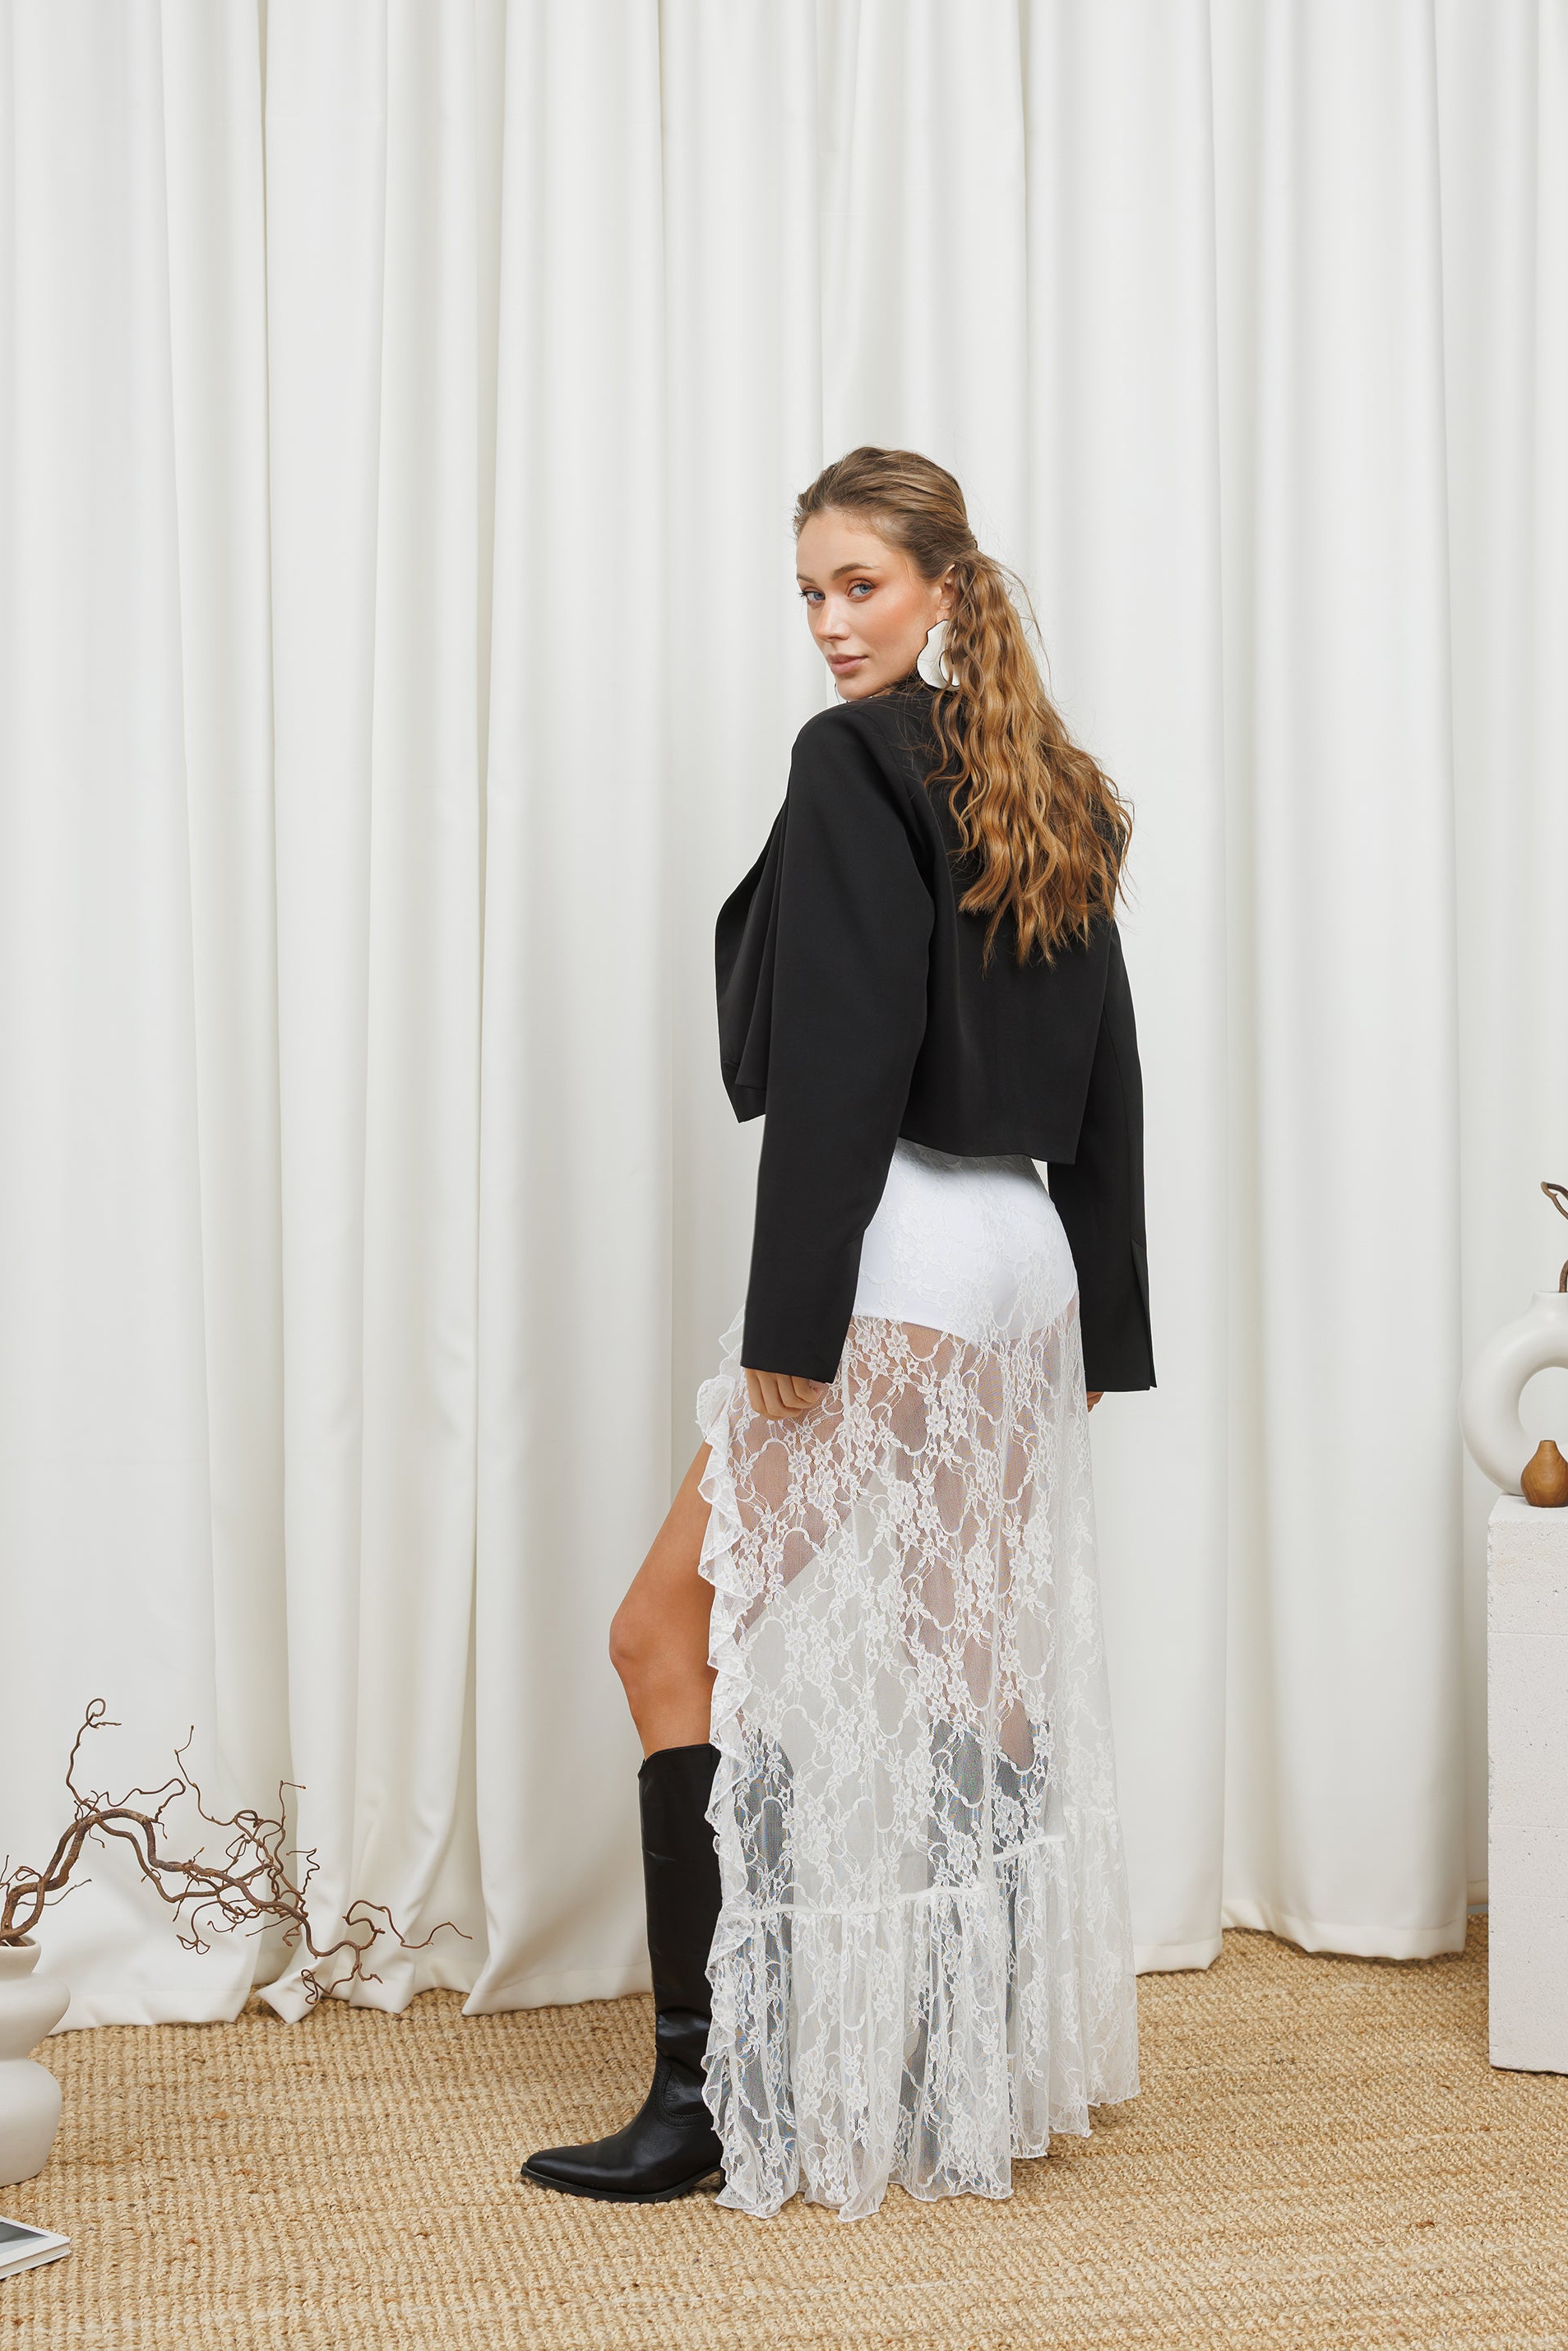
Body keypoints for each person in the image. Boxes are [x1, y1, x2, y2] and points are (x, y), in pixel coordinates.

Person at [521, 447, 1154, 2219]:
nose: (827, 622)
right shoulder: (1049, 778)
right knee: (972, 1664)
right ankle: (965, 2080)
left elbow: (843, 1052)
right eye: (808, 591)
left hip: (895, 1262)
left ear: (944, 587)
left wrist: (788, 1321)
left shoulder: (851, 759)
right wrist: (1105, 1324)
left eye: (858, 584)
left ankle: (704, 2095)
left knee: (663, 1632)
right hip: (1018, 1263)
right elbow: (1108, 1071)